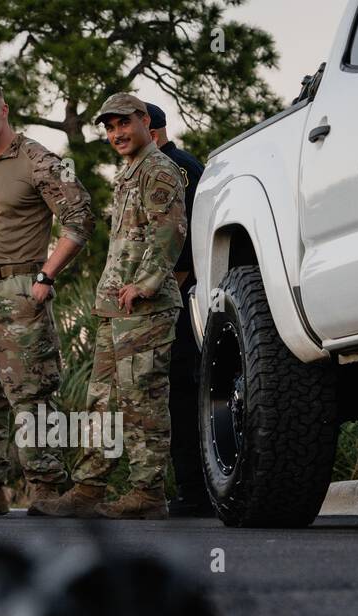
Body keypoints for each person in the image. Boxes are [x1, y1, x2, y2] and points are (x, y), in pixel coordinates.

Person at [0, 80, 96, 516]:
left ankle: (46, 489)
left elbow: (81, 218)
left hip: (21, 290)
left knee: (31, 393)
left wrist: (46, 275)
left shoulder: (40, 160)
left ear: (4, 110)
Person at [32, 94, 185, 520]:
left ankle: (147, 493)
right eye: (110, 127)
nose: (116, 133)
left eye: (124, 124)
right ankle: (89, 488)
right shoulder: (128, 174)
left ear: (143, 121)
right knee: (102, 401)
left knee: (143, 399)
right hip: (113, 308)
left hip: (144, 308)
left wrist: (146, 285)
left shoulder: (159, 170)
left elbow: (169, 232)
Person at [146, 102, 211, 517]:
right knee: (179, 392)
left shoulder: (177, 167)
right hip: (178, 294)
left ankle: (196, 491)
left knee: (185, 392)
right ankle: (191, 489)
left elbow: (185, 234)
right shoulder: (162, 164)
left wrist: (176, 284)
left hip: (184, 296)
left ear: (150, 130)